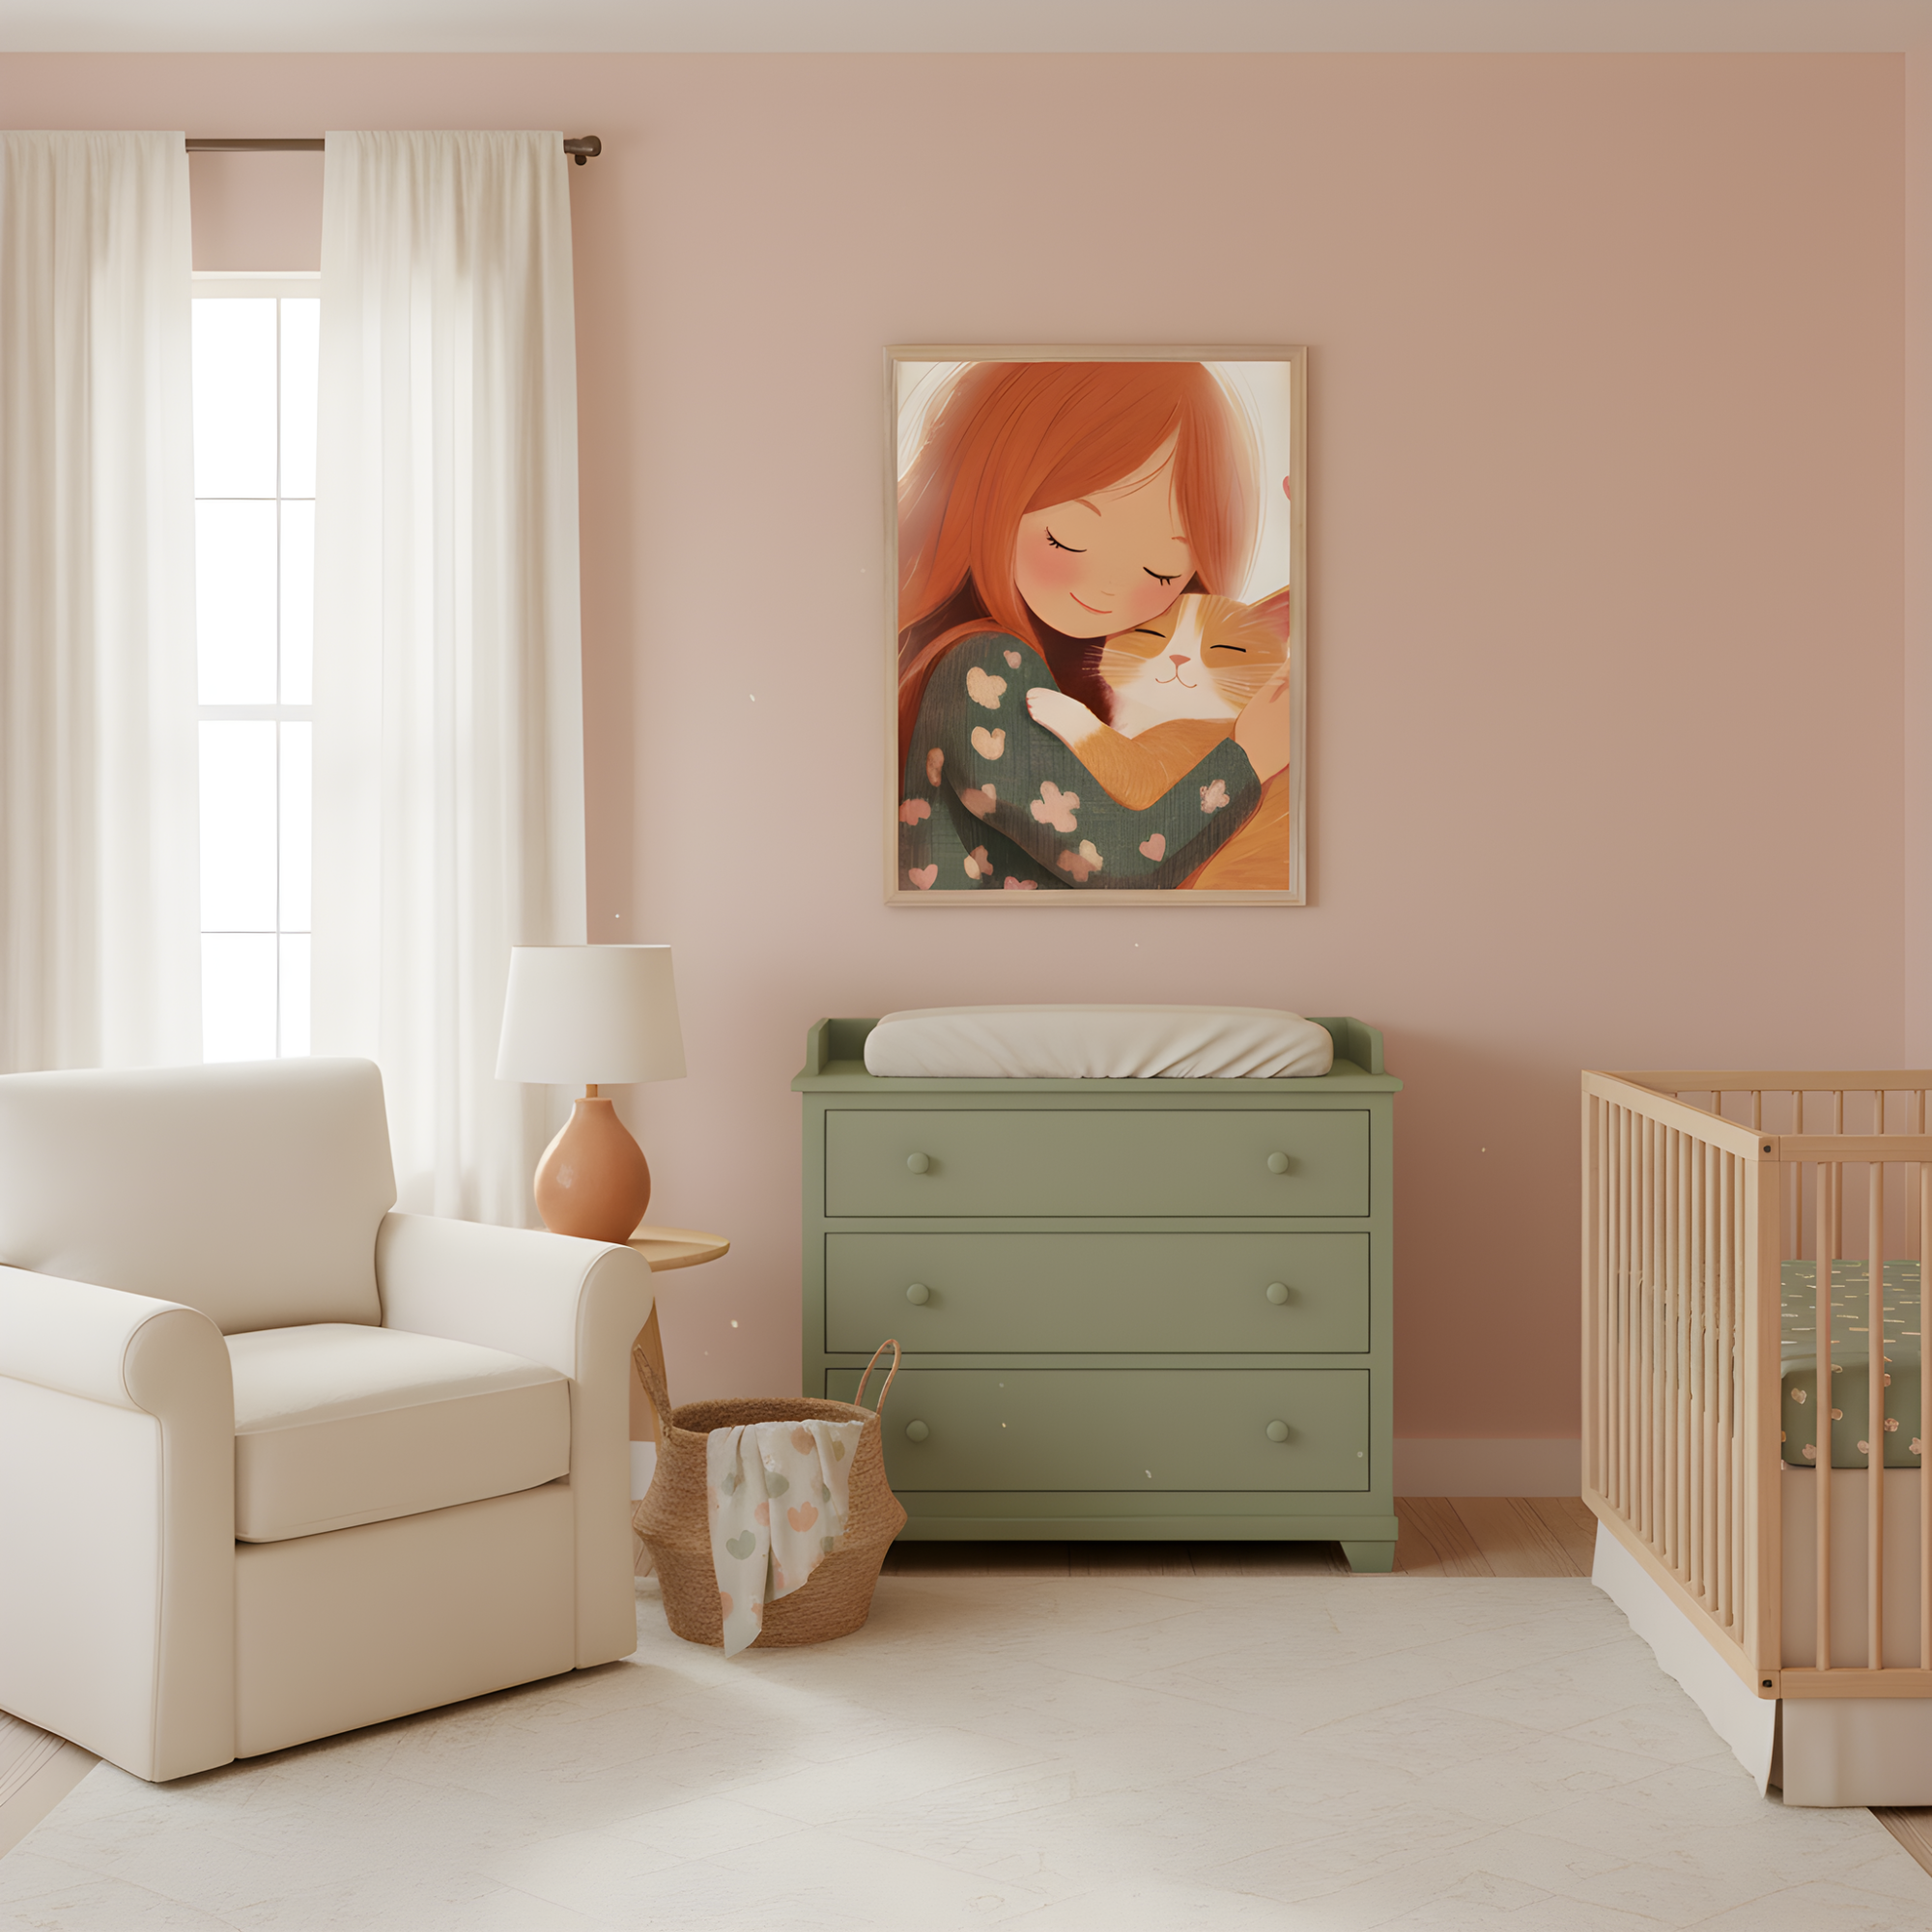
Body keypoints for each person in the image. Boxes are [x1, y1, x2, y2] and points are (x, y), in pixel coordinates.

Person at [895, 360, 1293, 892]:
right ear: (987, 499)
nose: (1110, 588)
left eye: (1161, 569)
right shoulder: (984, 662)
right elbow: (1119, 859)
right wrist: (1249, 758)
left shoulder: (1091, 673)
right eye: (1067, 538)